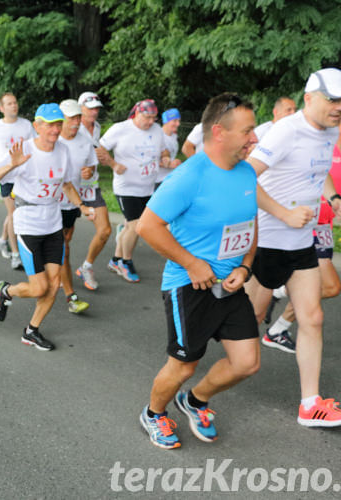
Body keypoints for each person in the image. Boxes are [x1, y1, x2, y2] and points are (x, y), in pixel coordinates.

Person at [135, 93, 260, 449]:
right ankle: (154, 414)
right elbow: (148, 226)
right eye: (248, 131)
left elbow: (250, 225)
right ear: (219, 132)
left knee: (247, 363)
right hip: (188, 284)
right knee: (184, 365)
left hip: (231, 283)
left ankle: (193, 401)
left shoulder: (246, 171)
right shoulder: (190, 177)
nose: (255, 139)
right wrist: (191, 263)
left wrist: (247, 267)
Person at [244, 67, 341, 427]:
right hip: (269, 242)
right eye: (332, 100)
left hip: (302, 243)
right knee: (242, 325)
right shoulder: (285, 131)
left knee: (313, 317)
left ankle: (311, 404)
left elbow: (318, 170)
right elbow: (245, 175)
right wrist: (283, 213)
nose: (340, 108)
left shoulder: (327, 131)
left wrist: (334, 198)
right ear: (309, 98)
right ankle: (187, 369)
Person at [264, 99, 341, 351]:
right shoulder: (322, 142)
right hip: (305, 224)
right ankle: (276, 314)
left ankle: (278, 312)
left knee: (325, 287)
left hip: (324, 226)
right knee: (330, 286)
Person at [0, 103, 94, 351]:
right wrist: (12, 165)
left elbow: (66, 184)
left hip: (53, 222)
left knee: (54, 283)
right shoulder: (22, 150)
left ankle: (31, 331)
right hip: (28, 223)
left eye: (58, 124)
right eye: (49, 124)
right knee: (39, 287)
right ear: (37, 126)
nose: (55, 130)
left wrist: (82, 206)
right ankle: (6, 292)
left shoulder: (64, 151)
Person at [97, 99, 170, 282]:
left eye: (154, 118)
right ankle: (126, 262)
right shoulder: (120, 129)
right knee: (135, 225)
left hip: (147, 187)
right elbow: (99, 149)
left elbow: (164, 151)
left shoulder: (157, 130)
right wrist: (114, 164)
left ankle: (116, 260)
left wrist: (166, 160)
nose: (151, 122)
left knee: (131, 225)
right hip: (126, 186)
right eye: (147, 117)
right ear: (137, 114)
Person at [58, 99, 110, 296]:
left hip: (83, 191)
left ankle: (84, 267)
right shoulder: (53, 139)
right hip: (59, 198)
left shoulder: (85, 140)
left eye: (78, 117)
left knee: (100, 231)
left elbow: (92, 164)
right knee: (63, 243)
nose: (76, 122)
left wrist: (89, 171)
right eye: (71, 118)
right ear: (61, 120)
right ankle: (66, 287)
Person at [0, 93, 36, 269]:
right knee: (14, 214)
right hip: (5, 175)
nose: (14, 106)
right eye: (9, 103)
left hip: (24, 175)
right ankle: (15, 254)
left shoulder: (26, 125)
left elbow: (35, 144)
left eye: (15, 102)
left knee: (15, 211)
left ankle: (3, 239)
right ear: (2, 108)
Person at [157, 108, 184, 187]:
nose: (178, 124)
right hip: (156, 181)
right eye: (175, 121)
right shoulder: (157, 136)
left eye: (179, 121)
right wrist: (170, 164)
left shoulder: (174, 136)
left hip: (169, 179)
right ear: (166, 121)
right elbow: (149, 160)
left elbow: (171, 157)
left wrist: (177, 163)